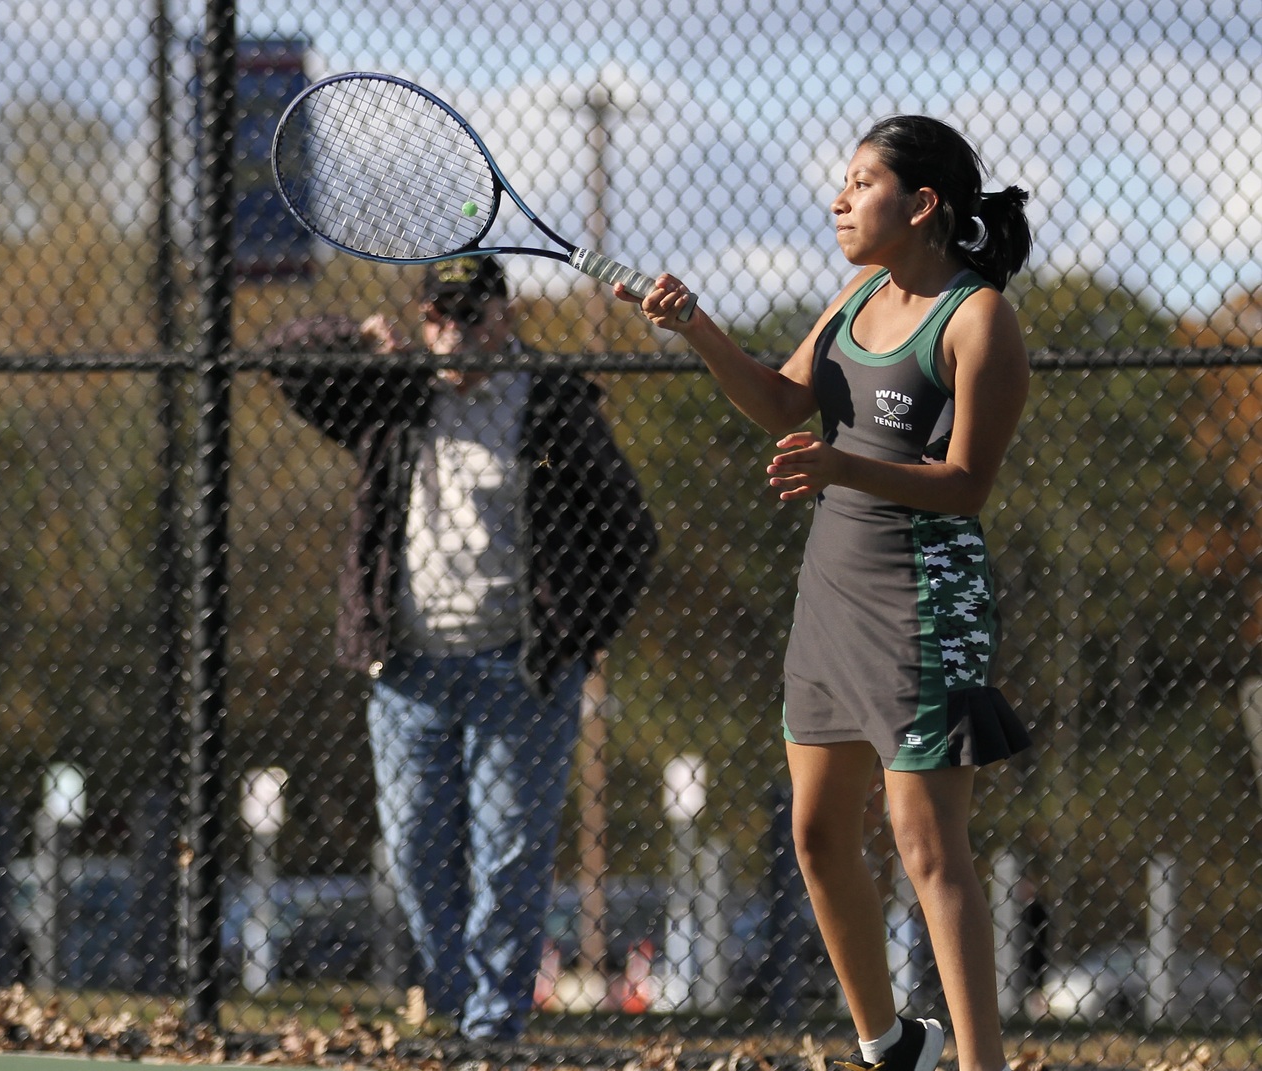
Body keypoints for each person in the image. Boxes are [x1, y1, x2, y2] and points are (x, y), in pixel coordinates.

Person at [618, 115, 1034, 1071]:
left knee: (927, 846)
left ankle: (981, 1064)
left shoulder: (978, 319)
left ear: (922, 204)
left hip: (925, 601)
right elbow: (775, 401)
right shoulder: (854, 298)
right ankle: (891, 1044)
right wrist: (694, 326)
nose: (838, 199)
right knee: (813, 834)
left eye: (860, 183)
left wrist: (843, 467)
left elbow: (969, 482)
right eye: (841, 183)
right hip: (832, 596)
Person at [264, 255, 656, 1042]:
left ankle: (490, 1026)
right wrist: (356, 337)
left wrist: (573, 641)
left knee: (509, 858)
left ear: (503, 318)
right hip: (408, 668)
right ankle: (453, 994)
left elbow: (630, 534)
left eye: (472, 315)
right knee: (414, 849)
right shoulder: (392, 392)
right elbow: (283, 355)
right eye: (439, 316)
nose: (455, 331)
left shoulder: (551, 405)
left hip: (520, 670)